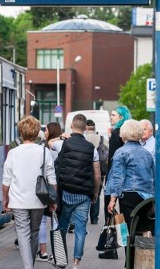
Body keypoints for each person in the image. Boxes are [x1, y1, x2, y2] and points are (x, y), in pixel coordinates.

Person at [2, 115, 57, 269]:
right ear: (36, 132)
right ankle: (29, 265)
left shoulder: (13, 153)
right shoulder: (44, 152)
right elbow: (52, 178)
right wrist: (53, 200)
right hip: (39, 200)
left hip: (18, 200)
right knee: (34, 232)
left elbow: (6, 180)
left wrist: (5, 198)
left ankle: (28, 267)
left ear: (21, 132)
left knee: (23, 233)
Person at [49, 113, 101, 269]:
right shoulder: (92, 149)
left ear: (72, 126)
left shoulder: (63, 144)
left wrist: (61, 137)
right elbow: (97, 174)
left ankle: (61, 259)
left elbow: (49, 142)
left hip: (65, 193)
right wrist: (96, 193)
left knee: (62, 227)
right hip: (84, 195)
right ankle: (76, 262)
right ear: (85, 128)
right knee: (80, 229)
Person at [105, 119, 155, 232]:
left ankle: (130, 249)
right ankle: (141, 249)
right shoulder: (147, 153)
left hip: (128, 195)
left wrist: (112, 199)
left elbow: (118, 177)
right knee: (142, 229)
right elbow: (154, 176)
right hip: (146, 196)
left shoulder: (121, 152)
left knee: (128, 230)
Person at [37, 121, 63, 262]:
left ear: (50, 131)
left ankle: (43, 251)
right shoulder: (61, 145)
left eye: (46, 130)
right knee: (55, 220)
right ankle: (56, 253)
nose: (45, 132)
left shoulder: (45, 147)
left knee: (42, 220)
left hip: (45, 186)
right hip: (58, 185)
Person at [85, 119, 106, 225]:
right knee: (96, 193)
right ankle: (94, 218)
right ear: (95, 128)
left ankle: (83, 216)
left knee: (84, 193)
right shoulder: (102, 139)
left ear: (85, 128)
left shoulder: (83, 138)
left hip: (85, 170)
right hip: (99, 170)